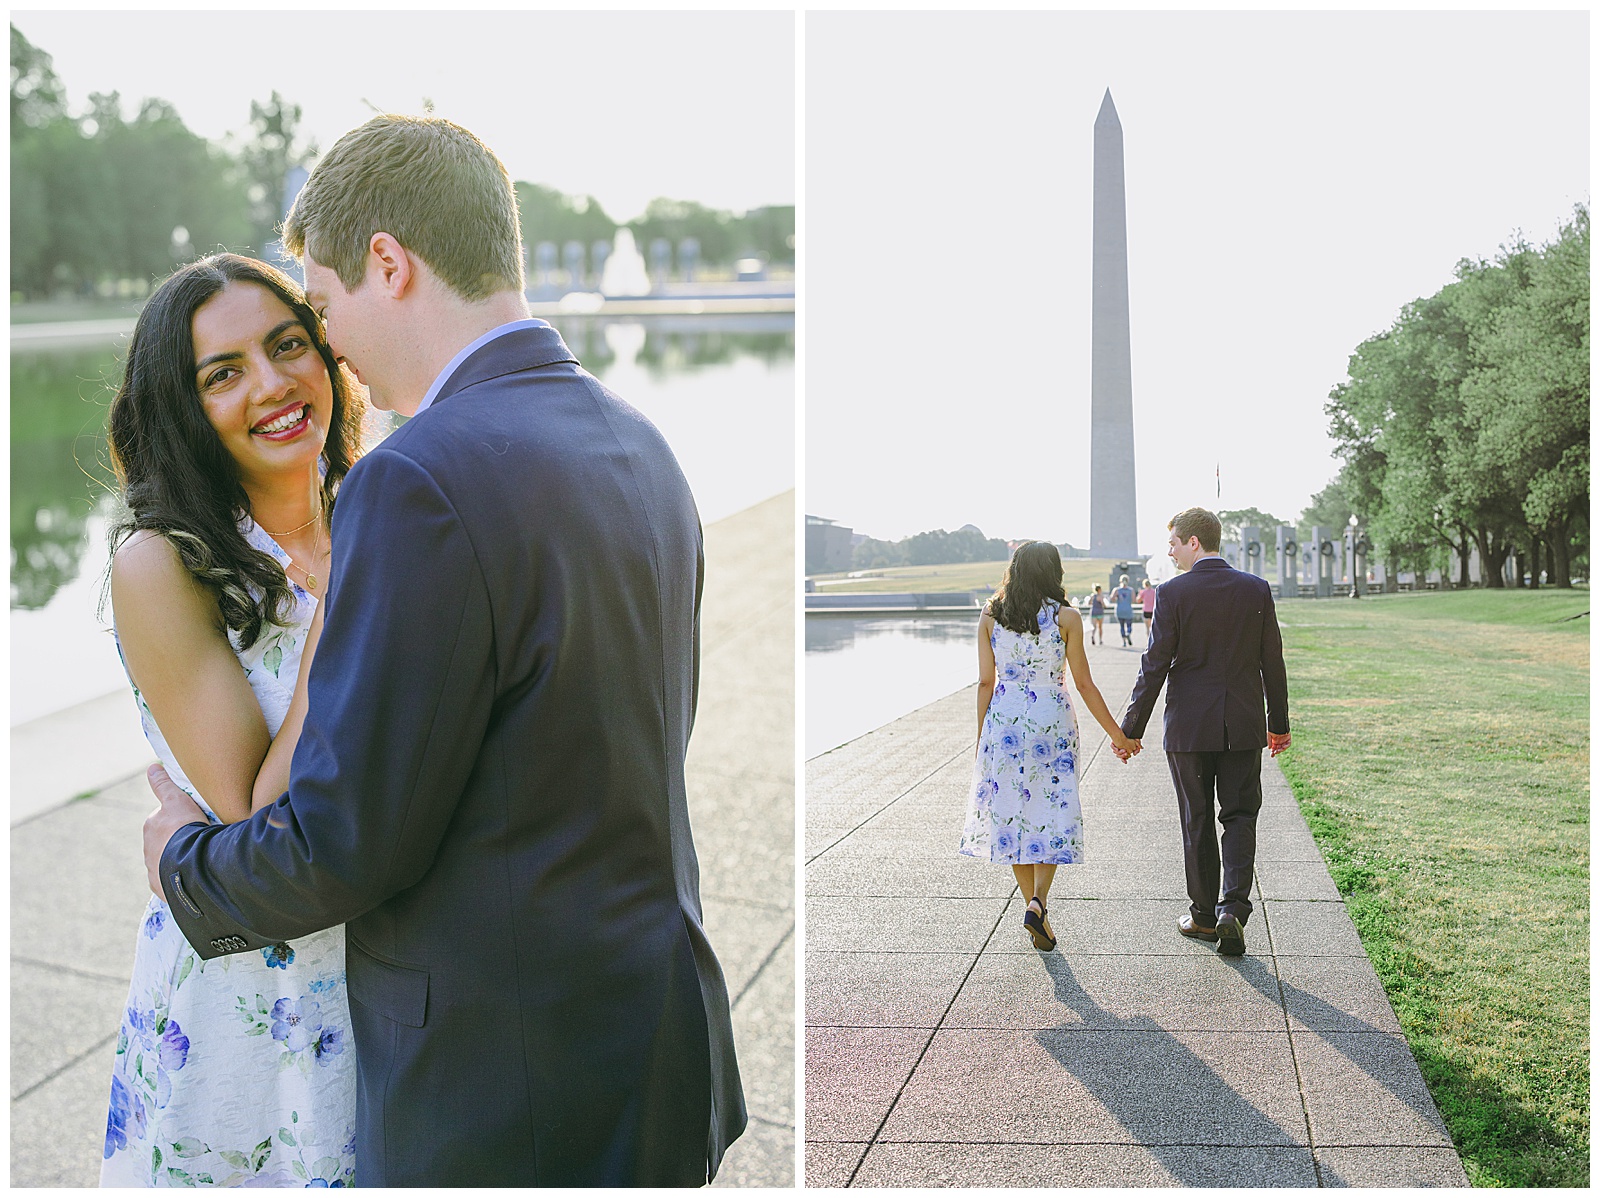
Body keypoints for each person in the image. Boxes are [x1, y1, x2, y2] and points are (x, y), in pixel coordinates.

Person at [140, 115, 745, 1185]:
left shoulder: (414, 477)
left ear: (388, 263)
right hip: (657, 1041)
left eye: (319, 310)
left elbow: (348, 837)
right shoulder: (641, 442)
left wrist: (184, 865)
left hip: (501, 1083)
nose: (331, 348)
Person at [100, 255, 363, 1187]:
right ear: (182, 407)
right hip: (253, 988)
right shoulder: (159, 563)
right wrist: (337, 611)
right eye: (224, 372)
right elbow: (254, 812)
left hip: (388, 967)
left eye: (288, 346)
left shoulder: (375, 504)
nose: (274, 383)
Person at [1117, 508, 1290, 957]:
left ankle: (1202, 916)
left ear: (1195, 542)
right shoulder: (1256, 589)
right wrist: (1279, 725)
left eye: (1174, 542)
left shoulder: (1172, 593)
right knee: (1240, 816)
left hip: (1190, 728)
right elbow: (1272, 661)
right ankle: (1232, 909)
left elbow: (1154, 664)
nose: (1170, 551)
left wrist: (1129, 730)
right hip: (1244, 723)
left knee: (1196, 819)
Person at [959, 542, 1139, 950]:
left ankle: (1033, 905)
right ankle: (1039, 901)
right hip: (1051, 720)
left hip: (1004, 719)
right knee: (1052, 808)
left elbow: (985, 682)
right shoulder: (1067, 618)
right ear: (1053, 572)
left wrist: (980, 736)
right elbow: (1084, 683)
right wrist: (1118, 735)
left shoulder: (991, 615)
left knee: (1011, 815)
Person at [1111, 573, 1137, 646]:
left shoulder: (1117, 590)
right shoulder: (1131, 590)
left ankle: (1124, 642)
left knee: (1122, 626)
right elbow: (1134, 600)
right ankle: (1128, 633)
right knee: (1129, 625)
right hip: (1128, 609)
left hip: (1119, 610)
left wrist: (1117, 597)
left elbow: (1112, 598)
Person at [1139, 577, 1157, 643]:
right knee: (1153, 627)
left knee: (1147, 627)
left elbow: (1138, 600)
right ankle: (1153, 640)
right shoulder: (1154, 591)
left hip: (1146, 610)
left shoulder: (1143, 592)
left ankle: (1148, 641)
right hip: (1153, 610)